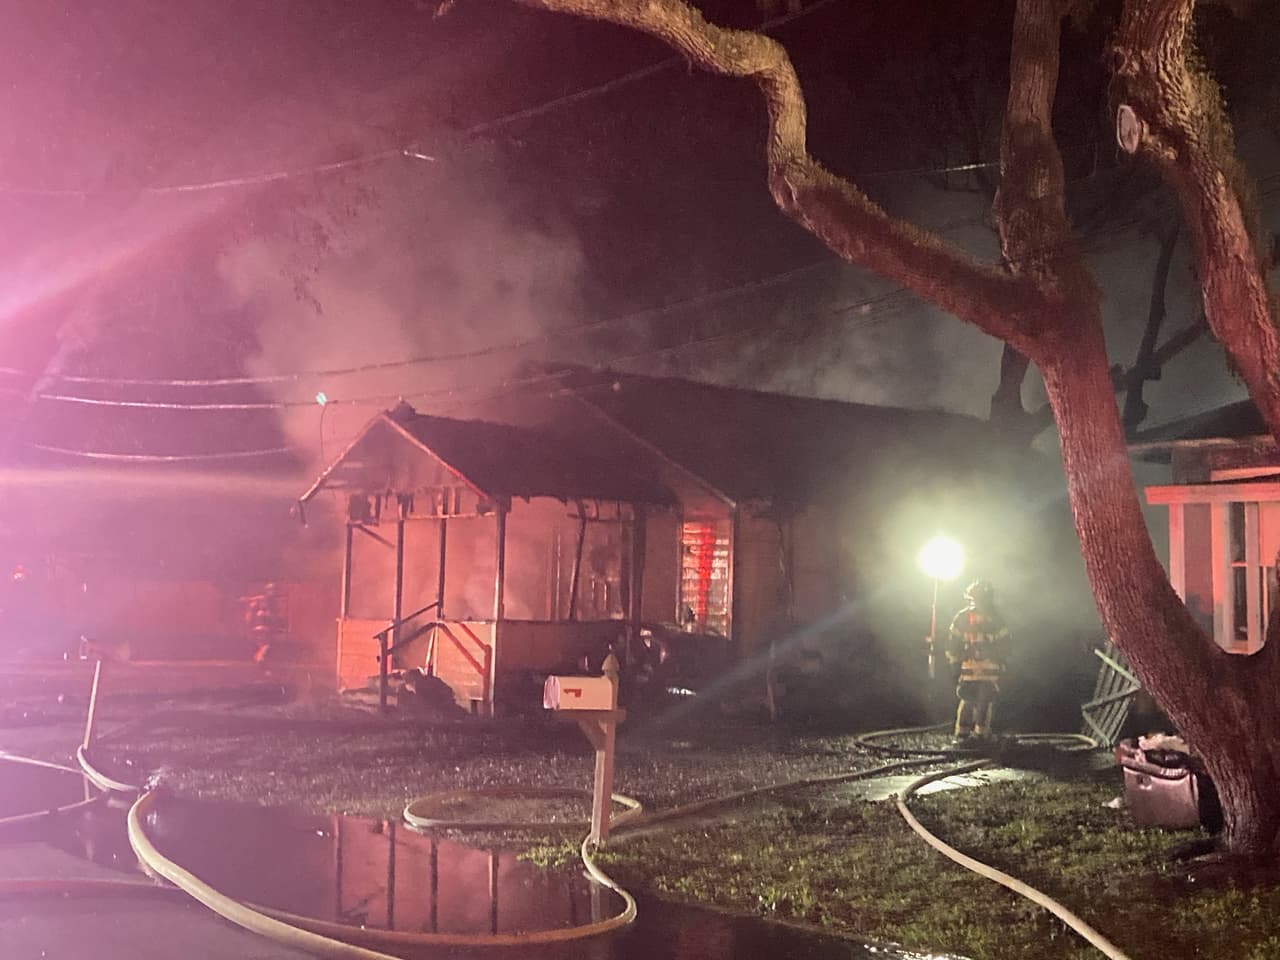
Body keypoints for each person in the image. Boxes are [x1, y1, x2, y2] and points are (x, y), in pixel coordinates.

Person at [945, 580, 1009, 743]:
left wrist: (954, 662)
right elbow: (1005, 643)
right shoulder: (995, 618)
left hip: (976, 668)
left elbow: (953, 643)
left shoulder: (963, 617)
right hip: (983, 668)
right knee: (978, 699)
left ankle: (966, 734)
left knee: (974, 699)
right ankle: (975, 734)